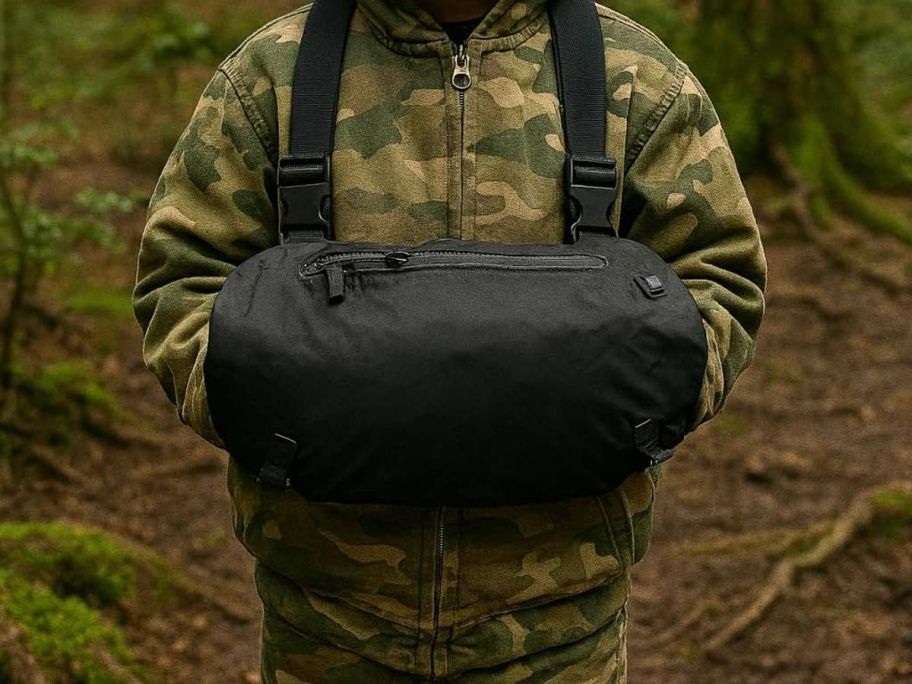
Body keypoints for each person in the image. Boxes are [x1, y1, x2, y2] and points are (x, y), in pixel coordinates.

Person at [132, 0, 767, 681]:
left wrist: (622, 413)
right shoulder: (271, 75)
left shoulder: (635, 76)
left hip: (560, 629)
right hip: (326, 627)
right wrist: (277, 408)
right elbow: (183, 281)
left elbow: (718, 275)